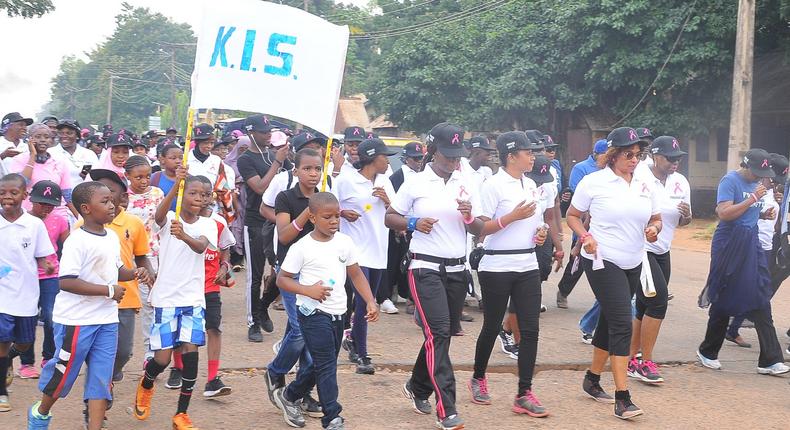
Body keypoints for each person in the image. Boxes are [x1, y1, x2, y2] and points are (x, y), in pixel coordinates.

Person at [385, 122, 483, 430]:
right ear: (431, 151)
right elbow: (390, 217)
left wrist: (469, 216)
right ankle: (447, 409)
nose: (453, 161)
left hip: (457, 269)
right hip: (424, 266)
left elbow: (478, 228)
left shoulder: (465, 182)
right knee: (438, 333)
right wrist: (413, 223)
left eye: (457, 155)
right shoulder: (416, 182)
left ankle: (417, 385)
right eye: (447, 155)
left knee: (441, 335)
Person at [27, 180, 147, 430]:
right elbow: (67, 281)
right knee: (64, 374)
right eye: (104, 201)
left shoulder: (111, 237)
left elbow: (116, 271)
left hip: (106, 320)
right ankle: (40, 412)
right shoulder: (77, 240)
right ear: (86, 208)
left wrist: (136, 272)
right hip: (76, 320)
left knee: (101, 378)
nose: (112, 204)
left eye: (111, 200)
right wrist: (108, 291)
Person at [566, 127, 661, 420]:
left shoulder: (646, 183)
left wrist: (654, 229)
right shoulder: (594, 182)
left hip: (634, 260)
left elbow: (656, 218)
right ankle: (623, 397)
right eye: (628, 154)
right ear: (613, 155)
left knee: (610, 320)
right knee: (622, 322)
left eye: (638, 154)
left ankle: (592, 378)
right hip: (601, 259)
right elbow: (572, 215)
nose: (635, 160)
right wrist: (585, 237)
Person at [273, 192, 379, 430]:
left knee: (321, 363)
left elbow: (355, 274)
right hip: (312, 314)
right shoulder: (302, 247)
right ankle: (332, 416)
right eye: (327, 217)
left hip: (339, 312)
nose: (334, 221)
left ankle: (290, 395)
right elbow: (282, 280)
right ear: (312, 217)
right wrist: (307, 290)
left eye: (337, 216)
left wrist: (370, 300)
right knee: (327, 365)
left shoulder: (344, 242)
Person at [468, 131, 550, 417]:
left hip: (527, 264)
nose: (533, 156)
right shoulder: (493, 185)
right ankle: (478, 377)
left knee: (530, 330)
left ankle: (524, 392)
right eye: (528, 152)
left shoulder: (530, 184)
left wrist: (540, 234)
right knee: (491, 326)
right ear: (511, 156)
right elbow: (481, 228)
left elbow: (538, 223)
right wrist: (511, 218)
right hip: (496, 265)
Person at [133, 168, 217, 430]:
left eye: (203, 195)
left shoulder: (207, 224)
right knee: (163, 358)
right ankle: (147, 383)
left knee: (191, 354)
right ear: (183, 193)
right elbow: (158, 216)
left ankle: (181, 413)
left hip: (193, 299)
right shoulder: (168, 218)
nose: (198, 198)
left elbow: (201, 246)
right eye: (192, 192)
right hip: (166, 299)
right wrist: (175, 186)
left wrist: (185, 236)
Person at [697, 148, 789, 376]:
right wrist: (753, 199)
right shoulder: (730, 180)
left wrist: (760, 213)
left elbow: (746, 211)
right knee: (723, 294)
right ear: (746, 166)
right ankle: (708, 351)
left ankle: (769, 359)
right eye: (756, 172)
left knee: (760, 293)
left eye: (763, 173)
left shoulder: (758, 184)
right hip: (729, 242)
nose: (760, 177)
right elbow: (725, 213)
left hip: (751, 241)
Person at [262, 148, 325, 418]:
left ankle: (302, 390)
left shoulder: (325, 198)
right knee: (301, 332)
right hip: (290, 273)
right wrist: (308, 213)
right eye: (307, 168)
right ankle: (275, 372)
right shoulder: (286, 197)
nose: (313, 173)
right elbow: (285, 236)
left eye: (317, 169)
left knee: (309, 335)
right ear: (296, 170)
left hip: (318, 273)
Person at [627, 136, 691, 384]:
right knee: (658, 302)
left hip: (663, 251)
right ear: (655, 156)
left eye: (678, 158)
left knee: (645, 305)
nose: (675, 163)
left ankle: (631, 357)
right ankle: (645, 361)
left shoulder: (680, 182)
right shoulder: (640, 177)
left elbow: (684, 221)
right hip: (642, 250)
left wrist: (686, 216)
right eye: (670, 158)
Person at [84, 169, 153, 388]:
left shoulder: (133, 224)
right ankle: (95, 398)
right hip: (94, 298)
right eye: (97, 193)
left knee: (123, 351)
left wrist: (147, 272)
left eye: (109, 192)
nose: (103, 197)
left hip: (125, 297)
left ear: (123, 196)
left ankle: (110, 374)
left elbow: (142, 257)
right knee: (95, 351)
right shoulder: (81, 226)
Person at [333, 138, 396, 374]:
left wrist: (388, 201)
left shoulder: (385, 181)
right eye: (384, 156)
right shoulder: (346, 180)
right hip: (355, 252)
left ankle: (352, 341)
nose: (388, 161)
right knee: (362, 303)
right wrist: (341, 213)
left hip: (379, 251)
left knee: (370, 302)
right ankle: (362, 353)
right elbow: (324, 206)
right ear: (371, 158)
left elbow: (398, 213)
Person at [0, 174, 55, 412]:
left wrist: (46, 265)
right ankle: (2, 392)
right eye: (2, 192)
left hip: (26, 294)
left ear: (24, 195)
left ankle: (10, 358)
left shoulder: (34, 225)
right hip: (2, 294)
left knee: (24, 343)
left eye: (13, 192)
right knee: (2, 339)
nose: (7, 197)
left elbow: (42, 255)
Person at [237, 114, 289, 342]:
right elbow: (259, 187)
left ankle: (263, 305)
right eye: (263, 132)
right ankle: (253, 321)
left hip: (278, 220)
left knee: (281, 269)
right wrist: (277, 162)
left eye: (269, 132)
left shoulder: (275, 155)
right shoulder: (246, 159)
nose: (268, 135)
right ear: (251, 133)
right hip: (255, 222)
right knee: (255, 275)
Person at [16, 181, 69, 379]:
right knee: (27, 318)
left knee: (51, 316)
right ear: (31, 199)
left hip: (50, 275)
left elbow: (67, 246)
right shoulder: (20, 220)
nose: (45, 208)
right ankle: (26, 362)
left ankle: (48, 357)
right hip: (26, 275)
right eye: (41, 204)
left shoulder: (59, 221)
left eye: (50, 205)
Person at [556, 139, 609, 311]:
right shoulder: (581, 168)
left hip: (604, 226)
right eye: (605, 155)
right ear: (596, 154)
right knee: (576, 263)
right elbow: (577, 196)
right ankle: (563, 291)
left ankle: (603, 298)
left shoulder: (612, 171)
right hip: (584, 223)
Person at [124, 155, 165, 365]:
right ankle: (121, 351)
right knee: (125, 305)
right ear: (127, 176)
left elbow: (161, 222)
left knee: (151, 303)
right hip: (126, 256)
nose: (144, 181)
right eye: (138, 177)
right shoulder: (123, 198)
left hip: (152, 254)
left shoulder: (157, 193)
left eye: (147, 176)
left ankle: (150, 352)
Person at [382, 142, 425, 314]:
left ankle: (410, 297)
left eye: (420, 158)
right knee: (396, 261)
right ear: (406, 159)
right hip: (402, 223)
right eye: (415, 158)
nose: (418, 161)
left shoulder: (423, 176)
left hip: (419, 224)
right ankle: (391, 295)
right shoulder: (398, 177)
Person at [9, 123, 77, 222]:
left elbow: (66, 193)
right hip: (27, 215)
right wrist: (32, 156)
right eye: (37, 136)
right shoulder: (19, 160)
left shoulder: (60, 162)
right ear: (29, 139)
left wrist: (79, 218)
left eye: (46, 137)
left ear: (51, 140)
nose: (43, 140)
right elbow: (21, 184)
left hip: (55, 215)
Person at [224, 135, 250, 270]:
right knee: (235, 225)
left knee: (246, 225)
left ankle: (244, 256)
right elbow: (224, 181)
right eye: (241, 149)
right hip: (232, 197)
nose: (244, 151)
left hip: (248, 196)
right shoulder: (228, 163)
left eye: (247, 149)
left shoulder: (251, 161)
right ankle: (236, 258)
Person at [49, 119, 98, 188]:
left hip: (82, 195)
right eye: (61, 133)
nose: (64, 136)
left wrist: (85, 176)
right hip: (56, 196)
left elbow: (96, 178)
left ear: (77, 136)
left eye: (69, 133)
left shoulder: (89, 154)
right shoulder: (50, 153)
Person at [151, 144, 184, 211]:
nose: (178, 161)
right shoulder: (154, 178)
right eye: (173, 158)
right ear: (162, 160)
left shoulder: (189, 179)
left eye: (181, 158)